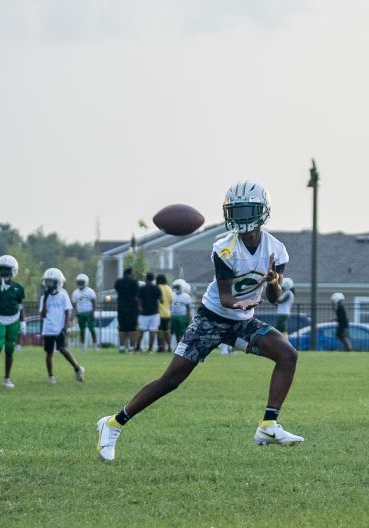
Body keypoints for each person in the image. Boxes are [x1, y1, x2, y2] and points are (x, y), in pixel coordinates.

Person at [95, 180, 303, 461]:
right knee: (171, 380)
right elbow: (226, 296)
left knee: (288, 354)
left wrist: (274, 281)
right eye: (236, 212)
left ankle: (268, 425)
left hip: (243, 320)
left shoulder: (276, 249)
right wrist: (240, 303)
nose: (241, 218)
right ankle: (112, 424)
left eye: (246, 211)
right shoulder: (225, 248)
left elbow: (276, 297)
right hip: (212, 318)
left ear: (262, 211)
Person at [39, 268, 85, 384]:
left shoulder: (63, 296)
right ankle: (51, 376)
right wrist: (45, 300)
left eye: (51, 282)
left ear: (58, 282)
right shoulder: (44, 297)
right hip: (48, 329)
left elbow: (67, 312)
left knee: (63, 349)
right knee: (49, 353)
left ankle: (77, 368)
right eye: (47, 281)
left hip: (59, 328)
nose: (48, 284)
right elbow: (43, 314)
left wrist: (65, 327)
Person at [0, 254, 26, 388]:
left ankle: (7, 378)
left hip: (14, 318)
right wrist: (1, 292)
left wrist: (22, 321)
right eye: (1, 269)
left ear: (13, 270)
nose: (3, 272)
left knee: (10, 349)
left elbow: (20, 306)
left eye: (6, 269)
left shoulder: (19, 288)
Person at [114, 268, 139, 353]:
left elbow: (117, 291)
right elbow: (137, 295)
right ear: (131, 273)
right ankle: (131, 347)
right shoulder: (134, 282)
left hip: (121, 307)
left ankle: (121, 346)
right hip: (132, 308)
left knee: (122, 328)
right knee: (132, 328)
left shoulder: (118, 282)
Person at [135, 274, 162, 353]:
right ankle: (150, 349)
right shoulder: (156, 288)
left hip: (144, 313)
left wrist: (140, 306)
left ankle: (137, 348)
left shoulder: (142, 288)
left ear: (146, 279)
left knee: (141, 330)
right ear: (153, 279)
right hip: (154, 312)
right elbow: (161, 300)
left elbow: (137, 298)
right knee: (153, 331)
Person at [71, 273, 98, 351]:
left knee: (91, 329)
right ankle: (82, 346)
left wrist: (93, 312)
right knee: (82, 330)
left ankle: (95, 345)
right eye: (79, 282)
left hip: (89, 312)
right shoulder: (75, 292)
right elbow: (74, 304)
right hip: (80, 313)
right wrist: (75, 313)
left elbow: (94, 302)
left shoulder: (90, 291)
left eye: (81, 282)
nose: (80, 283)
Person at [169, 280, 193, 351]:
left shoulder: (186, 296)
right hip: (173, 316)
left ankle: (182, 346)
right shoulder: (172, 294)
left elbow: (188, 307)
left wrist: (189, 316)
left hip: (182, 316)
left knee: (182, 332)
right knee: (176, 332)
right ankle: (177, 345)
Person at [155, 274, 173, 352]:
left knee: (159, 331)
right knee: (167, 331)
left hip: (158, 313)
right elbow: (171, 300)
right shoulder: (169, 288)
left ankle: (160, 347)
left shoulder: (157, 288)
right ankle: (169, 346)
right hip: (167, 313)